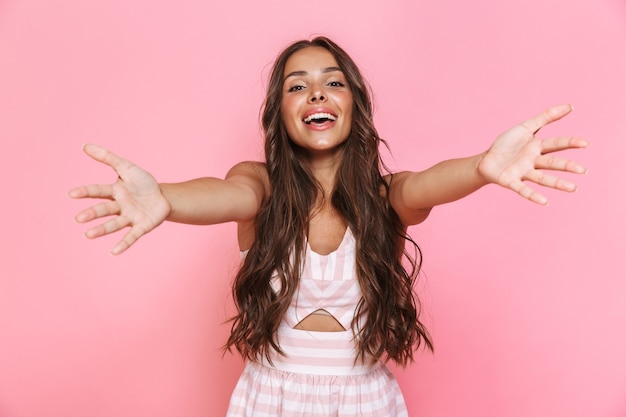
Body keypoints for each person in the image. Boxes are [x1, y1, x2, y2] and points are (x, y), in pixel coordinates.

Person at [69, 37, 589, 416]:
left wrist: (481, 167)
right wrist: (164, 198)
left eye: (332, 83)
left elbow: (427, 185)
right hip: (270, 398)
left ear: (355, 105)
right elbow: (226, 195)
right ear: (280, 112)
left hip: (363, 399)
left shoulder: (387, 197)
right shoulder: (261, 186)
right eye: (299, 86)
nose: (317, 95)